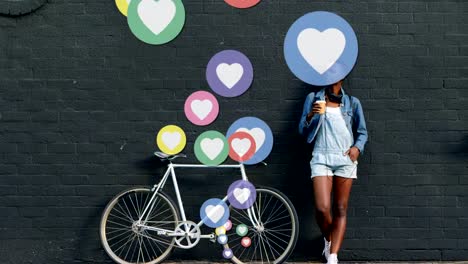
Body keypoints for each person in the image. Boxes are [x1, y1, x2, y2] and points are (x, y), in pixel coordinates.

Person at [299, 80, 368, 264]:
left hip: (345, 160)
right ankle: (329, 239)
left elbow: (362, 132)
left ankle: (333, 256)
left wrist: (357, 148)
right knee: (322, 208)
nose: (332, 78)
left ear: (342, 77)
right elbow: (302, 131)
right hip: (321, 158)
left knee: (340, 208)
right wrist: (311, 114)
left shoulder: (352, 102)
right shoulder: (313, 98)